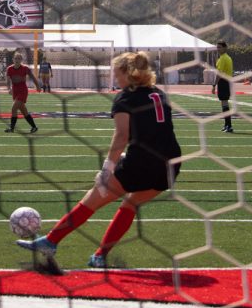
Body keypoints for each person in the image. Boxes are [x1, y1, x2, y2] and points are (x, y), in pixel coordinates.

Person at [17, 51, 182, 268]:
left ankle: (51, 241)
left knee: (92, 199)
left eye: (117, 73)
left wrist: (108, 168)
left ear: (129, 74)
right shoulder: (159, 94)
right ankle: (99, 256)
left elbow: (121, 135)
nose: (114, 77)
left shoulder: (126, 97)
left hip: (141, 164)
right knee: (130, 204)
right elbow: (156, 131)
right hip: (170, 164)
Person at [5, 52, 41, 133]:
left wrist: (38, 86)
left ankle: (12, 128)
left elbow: (32, 77)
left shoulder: (25, 68)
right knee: (24, 111)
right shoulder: (9, 69)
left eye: (19, 58)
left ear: (21, 60)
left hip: (23, 90)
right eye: (15, 58)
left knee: (14, 108)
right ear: (13, 59)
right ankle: (34, 127)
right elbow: (7, 80)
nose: (17, 60)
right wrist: (9, 88)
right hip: (15, 90)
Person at [211, 41, 234, 132]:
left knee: (224, 103)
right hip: (225, 82)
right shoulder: (223, 58)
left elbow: (219, 74)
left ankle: (229, 126)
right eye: (217, 47)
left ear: (225, 48)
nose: (218, 49)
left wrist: (214, 85)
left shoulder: (224, 58)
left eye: (220, 47)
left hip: (224, 82)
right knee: (224, 104)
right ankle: (226, 124)